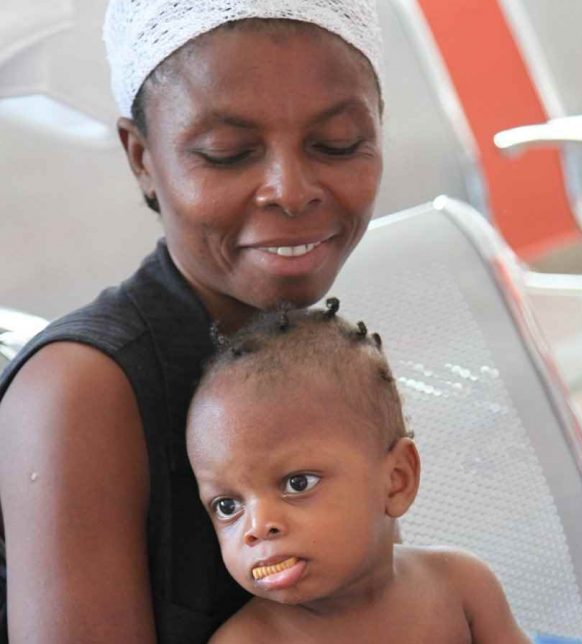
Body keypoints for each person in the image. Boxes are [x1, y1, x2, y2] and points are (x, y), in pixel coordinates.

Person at [0, 1, 384, 642]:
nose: (290, 190)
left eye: (336, 144)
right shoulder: (80, 393)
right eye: (228, 154)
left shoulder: (314, 346)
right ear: (142, 158)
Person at [186, 300, 531, 643]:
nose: (258, 526)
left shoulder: (461, 586)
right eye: (228, 506)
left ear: (397, 480)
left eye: (297, 483)